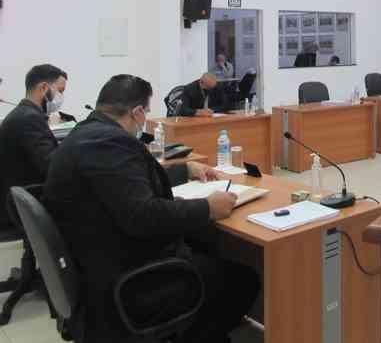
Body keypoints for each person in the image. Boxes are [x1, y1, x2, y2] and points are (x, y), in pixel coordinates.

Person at [43, 74, 258, 343]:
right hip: (126, 281)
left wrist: (185, 169)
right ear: (136, 112)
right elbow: (142, 215)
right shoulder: (110, 143)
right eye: (145, 112)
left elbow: (125, 181)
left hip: (96, 262)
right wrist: (207, 208)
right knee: (243, 279)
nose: (145, 119)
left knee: (205, 246)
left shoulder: (87, 135)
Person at [0, 64, 67, 228]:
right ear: (43, 87)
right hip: (23, 208)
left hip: (18, 199)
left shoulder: (24, 114)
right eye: (60, 91)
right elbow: (51, 166)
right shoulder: (28, 118)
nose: (61, 97)